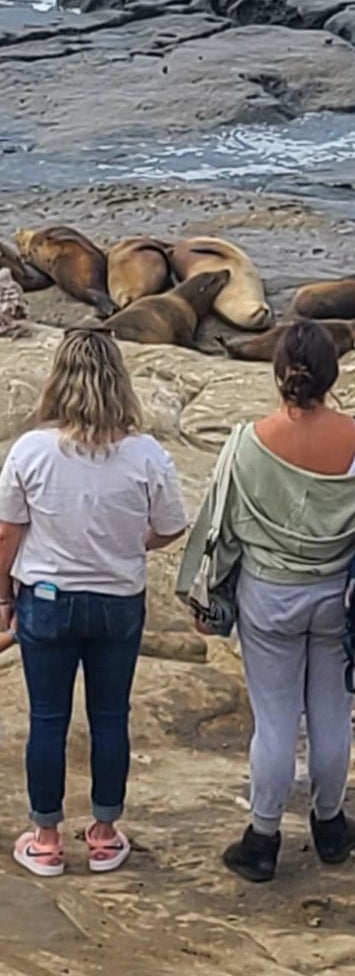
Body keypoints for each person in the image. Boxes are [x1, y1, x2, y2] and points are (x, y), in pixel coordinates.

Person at [180, 319, 355, 882]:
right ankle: (331, 826)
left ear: (277, 375)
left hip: (268, 598)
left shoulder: (246, 442)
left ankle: (262, 838)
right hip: (341, 598)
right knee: (332, 715)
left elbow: (219, 527)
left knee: (273, 722)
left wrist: (206, 600)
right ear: (333, 373)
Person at [1, 329, 187, 877]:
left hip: (48, 598)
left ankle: (46, 838)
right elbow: (170, 527)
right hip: (117, 600)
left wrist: (3, 599)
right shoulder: (144, 454)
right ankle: (104, 834)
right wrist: (132, 542)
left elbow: (7, 534)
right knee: (110, 717)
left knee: (47, 719)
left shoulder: (31, 450)